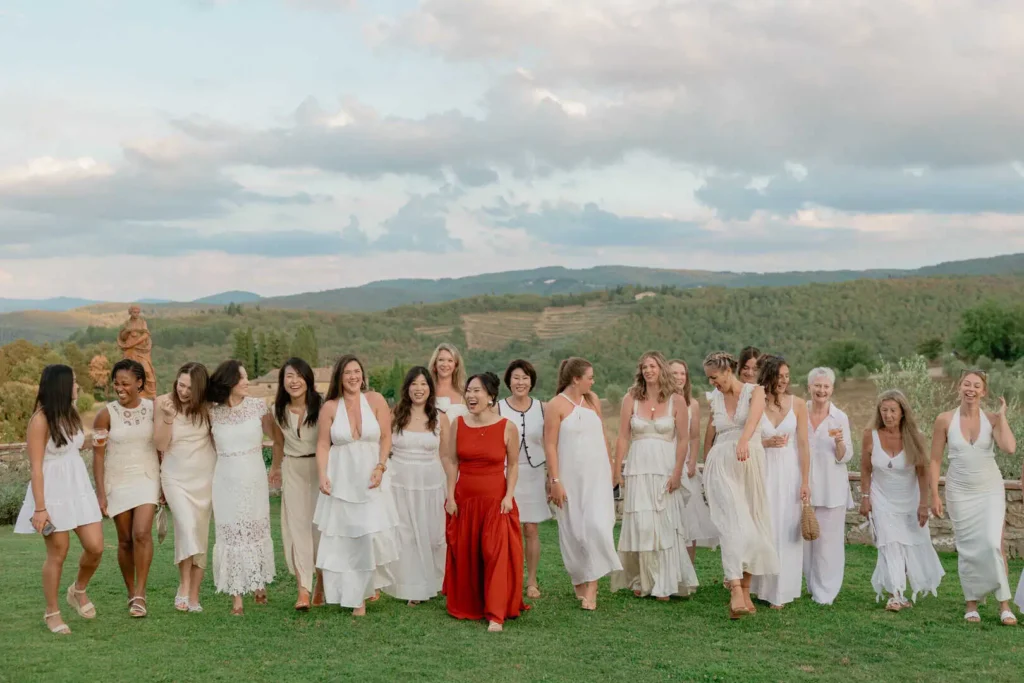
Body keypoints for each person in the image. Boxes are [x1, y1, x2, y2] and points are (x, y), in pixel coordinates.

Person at [15, 365, 104, 635]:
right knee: (58, 552)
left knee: (96, 546)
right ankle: (51, 611)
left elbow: (70, 448)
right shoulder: (40, 420)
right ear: (62, 386)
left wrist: (93, 442)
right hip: (52, 492)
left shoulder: (71, 413)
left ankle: (78, 590)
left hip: (78, 488)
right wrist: (40, 508)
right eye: (74, 382)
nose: (78, 386)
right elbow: (36, 467)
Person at [313, 355, 399, 616]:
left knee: (369, 535)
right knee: (346, 538)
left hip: (371, 477)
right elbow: (322, 445)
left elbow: (386, 437)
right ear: (339, 377)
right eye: (347, 372)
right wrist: (322, 475)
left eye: (357, 371)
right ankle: (355, 597)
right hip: (342, 478)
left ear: (363, 374)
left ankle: (367, 587)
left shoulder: (375, 400)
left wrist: (381, 466)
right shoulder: (329, 407)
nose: (353, 376)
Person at [442, 372, 527, 632]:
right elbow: (453, 461)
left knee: (495, 554)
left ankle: (496, 614)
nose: (471, 395)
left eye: (477, 391)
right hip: (465, 500)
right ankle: (474, 604)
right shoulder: (458, 423)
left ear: (491, 396)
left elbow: (513, 465)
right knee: (467, 553)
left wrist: (509, 496)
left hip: (495, 502)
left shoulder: (507, 426)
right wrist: (449, 495)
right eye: (469, 390)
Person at [930, 370, 1017, 625]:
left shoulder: (991, 419)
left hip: (990, 489)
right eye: (966, 384)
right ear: (959, 387)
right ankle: (971, 603)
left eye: (976, 385)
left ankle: (1004, 604)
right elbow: (935, 459)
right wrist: (934, 494)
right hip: (959, 491)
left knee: (992, 544)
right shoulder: (944, 420)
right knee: (967, 549)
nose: (970, 389)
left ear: (983, 391)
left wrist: (1002, 418)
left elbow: (1010, 448)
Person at [611, 351, 698, 600]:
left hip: (665, 469)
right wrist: (617, 470)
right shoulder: (631, 398)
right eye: (644, 366)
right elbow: (623, 436)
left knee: (664, 525)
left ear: (661, 369)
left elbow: (683, 440)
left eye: (652, 366)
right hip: (638, 469)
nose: (648, 370)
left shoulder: (676, 400)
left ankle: (665, 582)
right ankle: (643, 578)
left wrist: (677, 472)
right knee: (642, 524)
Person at [701, 351, 777, 619]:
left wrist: (744, 440)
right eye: (709, 379)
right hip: (722, 462)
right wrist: (704, 459)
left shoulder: (755, 391)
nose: (712, 383)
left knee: (752, 526)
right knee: (732, 523)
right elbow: (712, 432)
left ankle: (745, 590)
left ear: (727, 371)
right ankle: (734, 587)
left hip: (749, 462)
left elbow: (755, 418)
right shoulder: (714, 399)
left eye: (714, 377)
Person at [544, 357, 621, 610]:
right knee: (573, 530)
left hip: (596, 476)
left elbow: (602, 435)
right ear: (576, 379)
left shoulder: (592, 400)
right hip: (570, 477)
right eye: (590, 376)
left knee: (597, 526)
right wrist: (555, 480)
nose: (593, 381)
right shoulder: (556, 405)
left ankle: (593, 585)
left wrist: (612, 467)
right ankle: (580, 576)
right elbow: (550, 445)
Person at [859, 390, 944, 611]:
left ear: (902, 412)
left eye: (893, 410)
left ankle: (902, 591)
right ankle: (895, 594)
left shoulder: (915, 435)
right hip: (881, 497)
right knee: (889, 543)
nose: (888, 415)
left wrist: (923, 504)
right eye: (884, 410)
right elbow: (866, 469)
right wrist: (865, 497)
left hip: (909, 498)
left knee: (908, 544)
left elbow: (923, 472)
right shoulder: (871, 434)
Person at [207, 360, 277, 615]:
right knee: (231, 533)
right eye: (242, 378)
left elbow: (276, 439)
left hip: (254, 476)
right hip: (225, 478)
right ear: (229, 382)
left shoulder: (258, 407)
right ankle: (237, 595)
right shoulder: (212, 413)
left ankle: (259, 585)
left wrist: (276, 468)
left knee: (256, 528)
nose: (247, 382)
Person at [92, 358, 160, 618]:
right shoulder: (105, 413)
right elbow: (98, 456)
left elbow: (163, 444)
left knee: (142, 533)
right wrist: (100, 492)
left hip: (147, 476)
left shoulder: (153, 409)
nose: (120, 388)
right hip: (116, 480)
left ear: (140, 383)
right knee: (125, 540)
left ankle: (141, 595)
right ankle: (130, 592)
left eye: (126, 383)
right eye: (116, 383)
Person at [154, 362, 216, 613]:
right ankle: (183, 585)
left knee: (200, 535)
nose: (183, 391)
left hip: (205, 477)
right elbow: (160, 444)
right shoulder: (163, 403)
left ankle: (194, 595)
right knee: (187, 527)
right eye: (180, 384)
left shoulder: (209, 407)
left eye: (190, 388)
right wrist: (168, 419)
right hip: (175, 477)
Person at [383, 366, 449, 605]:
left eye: (423, 384)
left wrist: (451, 491)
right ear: (407, 387)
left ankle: (434, 582)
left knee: (432, 535)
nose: (419, 389)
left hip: (431, 483)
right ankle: (412, 588)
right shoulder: (396, 414)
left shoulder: (440, 417)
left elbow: (447, 456)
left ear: (430, 388)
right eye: (414, 384)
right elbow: (384, 448)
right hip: (400, 481)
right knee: (406, 535)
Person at [750, 356, 810, 609]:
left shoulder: (798, 404)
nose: (784, 381)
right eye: (780, 376)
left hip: (789, 471)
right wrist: (765, 443)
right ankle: (761, 587)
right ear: (769, 376)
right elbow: (748, 438)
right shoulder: (756, 401)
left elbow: (805, 444)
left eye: (787, 376)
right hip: (763, 469)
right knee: (764, 526)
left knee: (786, 529)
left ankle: (782, 591)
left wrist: (806, 481)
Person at [268, 358, 326, 611]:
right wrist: (275, 468)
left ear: (308, 379)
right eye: (289, 376)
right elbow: (278, 443)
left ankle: (322, 584)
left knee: (319, 528)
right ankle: (303, 588)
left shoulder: (322, 406)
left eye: (299, 376)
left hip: (320, 469)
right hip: (293, 469)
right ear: (283, 381)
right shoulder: (276, 409)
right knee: (296, 528)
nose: (294, 381)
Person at [497, 359, 552, 598]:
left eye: (525, 378)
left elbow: (551, 443)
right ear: (509, 381)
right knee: (506, 529)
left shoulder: (543, 408)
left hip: (534, 473)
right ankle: (508, 578)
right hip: (506, 473)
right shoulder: (498, 408)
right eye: (516, 378)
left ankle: (531, 581)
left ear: (532, 381)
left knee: (531, 528)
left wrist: (552, 476)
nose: (520, 382)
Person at [803, 367, 854, 606]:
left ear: (832, 389)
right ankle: (809, 585)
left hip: (831, 488)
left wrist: (839, 443)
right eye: (817, 386)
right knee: (804, 541)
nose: (821, 390)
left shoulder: (839, 417)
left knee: (828, 545)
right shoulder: (799, 412)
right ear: (810, 387)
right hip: (804, 488)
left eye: (826, 386)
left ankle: (826, 592)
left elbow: (845, 457)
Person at [669, 359, 719, 561]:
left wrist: (692, 461)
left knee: (690, 520)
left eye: (682, 373)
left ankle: (687, 570)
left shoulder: (693, 404)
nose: (679, 377)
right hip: (666, 460)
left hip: (686, 465)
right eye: (674, 373)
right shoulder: (662, 401)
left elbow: (695, 436)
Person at [430, 343, 469, 421]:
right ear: (435, 364)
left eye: (450, 360)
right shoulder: (427, 391)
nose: (445, 364)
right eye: (441, 360)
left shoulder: (465, 393)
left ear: (456, 365)